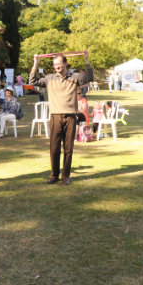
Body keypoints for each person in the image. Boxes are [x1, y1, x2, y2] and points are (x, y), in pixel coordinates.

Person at [29, 51, 93, 185]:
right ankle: (54, 175)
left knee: (68, 148)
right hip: (55, 117)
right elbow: (32, 81)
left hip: (70, 116)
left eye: (59, 63)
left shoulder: (74, 76)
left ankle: (65, 175)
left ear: (65, 63)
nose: (57, 66)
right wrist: (35, 64)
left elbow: (89, 77)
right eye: (55, 64)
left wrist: (87, 60)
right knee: (54, 148)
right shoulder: (50, 78)